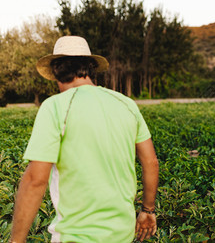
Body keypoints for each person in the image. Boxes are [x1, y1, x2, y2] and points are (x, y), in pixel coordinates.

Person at [10, 36, 159, 243]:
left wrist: (16, 240)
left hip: (75, 236)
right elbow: (150, 162)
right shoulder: (126, 104)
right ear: (91, 69)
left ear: (56, 71)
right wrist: (147, 210)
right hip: (122, 234)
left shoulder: (55, 106)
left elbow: (36, 179)